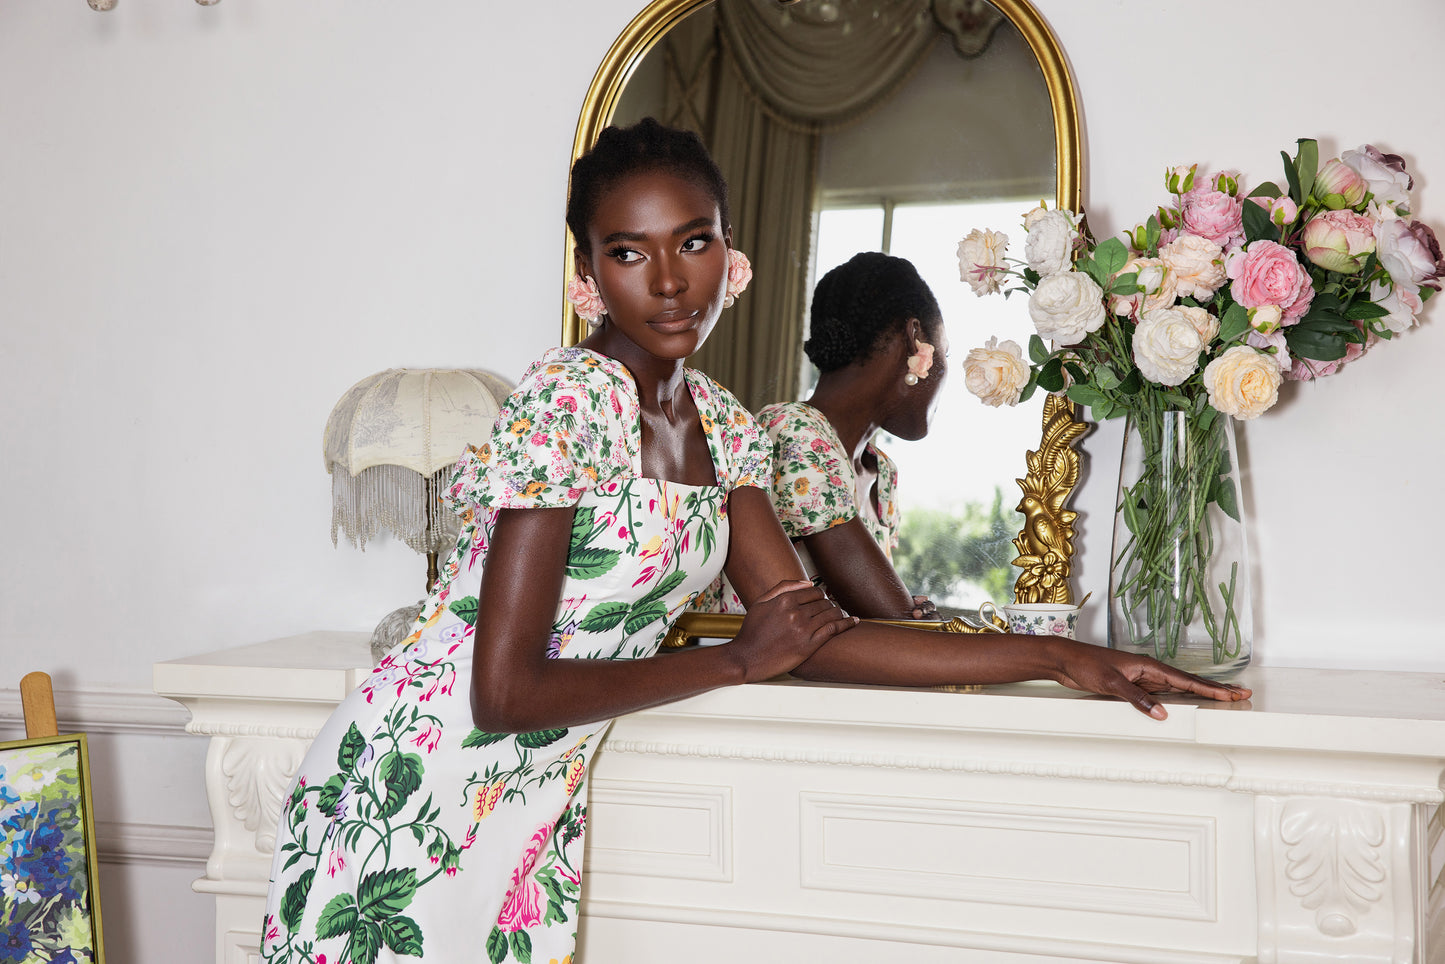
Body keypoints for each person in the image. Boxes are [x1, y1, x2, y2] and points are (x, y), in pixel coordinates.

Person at [260, 118, 1249, 964]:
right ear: (586, 274)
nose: (668, 282)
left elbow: (805, 632)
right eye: (627, 251)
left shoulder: (724, 426)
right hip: (415, 773)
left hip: (522, 789)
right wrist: (735, 663)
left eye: (690, 244)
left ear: (730, 255)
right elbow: (504, 689)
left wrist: (1060, 658)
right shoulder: (567, 401)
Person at [695, 251, 949, 620]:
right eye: (947, 353)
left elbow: (889, 619)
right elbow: (894, 620)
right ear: (915, 341)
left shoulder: (883, 473)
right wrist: (910, 618)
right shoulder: (792, 431)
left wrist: (910, 617)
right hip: (750, 677)